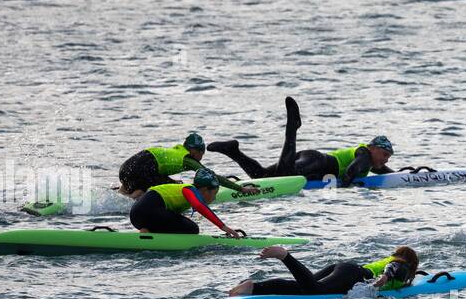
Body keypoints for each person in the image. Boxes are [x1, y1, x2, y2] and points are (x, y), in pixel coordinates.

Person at [209, 97, 395, 187]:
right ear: (372, 148)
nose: (386, 159)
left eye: (389, 157)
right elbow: (349, 174)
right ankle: (292, 127)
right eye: (385, 154)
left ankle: (233, 151)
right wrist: (345, 188)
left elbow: (389, 173)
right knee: (285, 175)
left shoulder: (371, 162)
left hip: (311, 160)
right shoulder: (364, 155)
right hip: (318, 162)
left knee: (262, 177)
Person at [228, 245, 419, 297]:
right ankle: (285, 256)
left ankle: (254, 288)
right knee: (315, 290)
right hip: (353, 275)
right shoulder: (403, 265)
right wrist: (383, 279)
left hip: (345, 268)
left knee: (301, 287)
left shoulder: (394, 259)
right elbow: (393, 269)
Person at [117, 132, 248, 196]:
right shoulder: (187, 159)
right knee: (142, 192)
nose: (201, 157)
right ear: (194, 151)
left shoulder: (177, 150)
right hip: (143, 168)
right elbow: (212, 176)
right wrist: (240, 189)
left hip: (127, 167)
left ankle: (116, 201)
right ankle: (130, 208)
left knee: (173, 184)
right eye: (201, 153)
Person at [129, 168, 245, 237]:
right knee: (192, 228)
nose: (214, 198)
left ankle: (147, 231)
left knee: (184, 224)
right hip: (147, 211)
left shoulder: (186, 190)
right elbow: (199, 206)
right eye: (213, 194)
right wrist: (223, 227)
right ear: (205, 190)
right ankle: (148, 232)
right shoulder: (189, 190)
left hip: (136, 215)